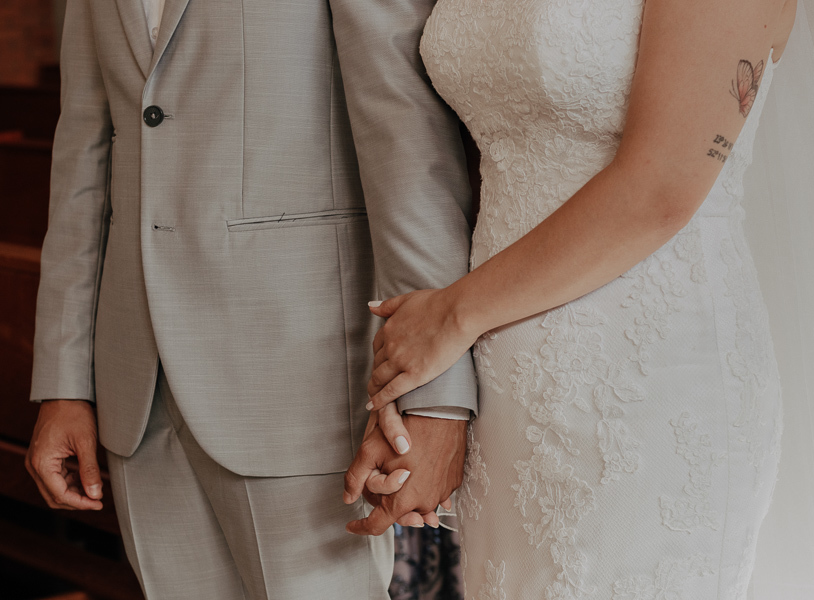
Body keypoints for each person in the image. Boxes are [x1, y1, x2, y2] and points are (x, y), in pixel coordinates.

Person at [345, 0, 814, 597]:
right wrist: (435, 402)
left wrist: (451, 318)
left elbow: (660, 190)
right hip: (505, 395)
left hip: (649, 384)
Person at [24, 0, 478, 598]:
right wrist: (64, 384)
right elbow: (83, 151)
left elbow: (404, 132)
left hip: (297, 374)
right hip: (136, 388)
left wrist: (438, 396)